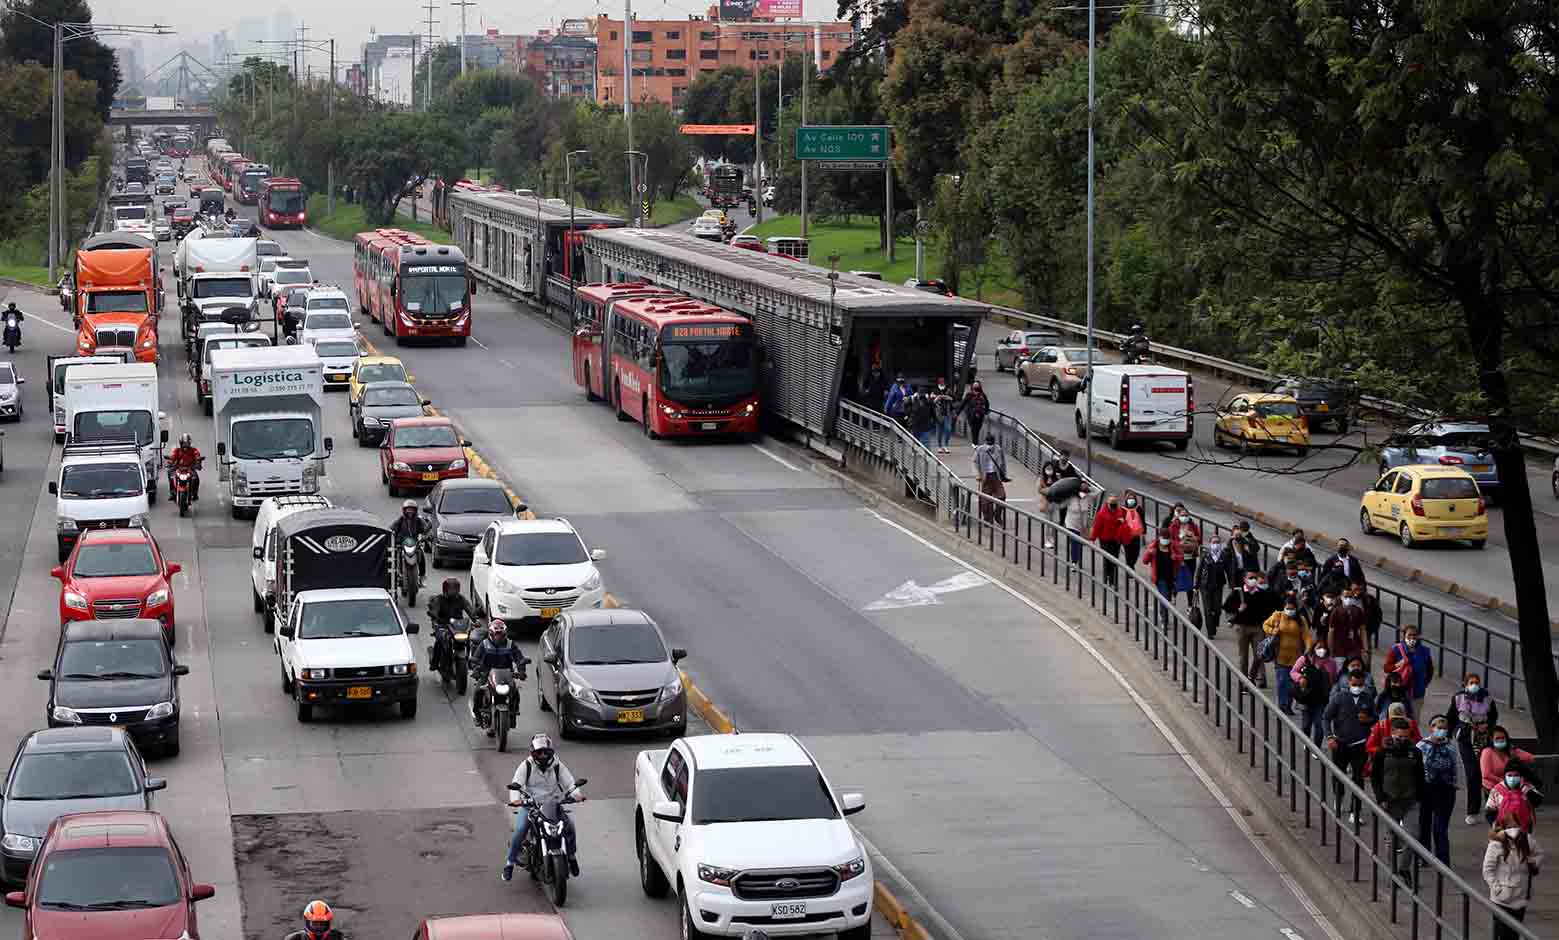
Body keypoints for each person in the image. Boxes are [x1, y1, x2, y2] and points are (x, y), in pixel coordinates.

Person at [503, 733, 584, 882]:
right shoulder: (526, 766)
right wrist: (516, 800)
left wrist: (576, 794)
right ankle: (509, 863)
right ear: (533, 753)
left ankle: (571, 856)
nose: (542, 755)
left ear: (551, 752)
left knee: (570, 826)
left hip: (552, 805)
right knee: (520, 829)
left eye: (546, 752)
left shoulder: (557, 765)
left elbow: (570, 782)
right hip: (531, 806)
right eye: (539, 752)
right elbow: (516, 784)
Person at [1371, 719, 1425, 876]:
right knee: (1392, 838)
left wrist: (1419, 797)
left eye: (1405, 737)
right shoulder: (1382, 753)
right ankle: (1392, 871)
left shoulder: (1415, 752)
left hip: (1411, 800)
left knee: (1413, 836)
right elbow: (1375, 777)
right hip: (1390, 801)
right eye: (1398, 737)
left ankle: (1404, 868)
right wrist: (1380, 798)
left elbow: (1420, 776)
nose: (1402, 740)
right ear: (1392, 733)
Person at [1326, 668, 1377, 823]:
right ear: (1349, 682)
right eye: (1355, 684)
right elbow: (1326, 717)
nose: (1357, 687)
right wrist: (1329, 736)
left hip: (1359, 746)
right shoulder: (1339, 698)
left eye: (1360, 684)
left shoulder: (1367, 699)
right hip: (1340, 743)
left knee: (1358, 779)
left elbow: (1375, 717)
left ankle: (1355, 811)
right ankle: (1338, 797)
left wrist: (1367, 719)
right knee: (1338, 775)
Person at [1448, 673, 1499, 825]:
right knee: (1472, 773)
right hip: (1465, 737)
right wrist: (1448, 734)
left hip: (1483, 737)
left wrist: (1488, 726)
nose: (1474, 685)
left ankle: (1492, 807)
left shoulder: (1487, 697)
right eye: (1471, 682)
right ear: (1465, 684)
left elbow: (1493, 715)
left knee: (1486, 772)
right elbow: (1451, 717)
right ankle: (1472, 811)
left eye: (1476, 682)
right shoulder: (1458, 698)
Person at [468, 619, 529, 735]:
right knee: (477, 692)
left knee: (515, 692)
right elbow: (475, 658)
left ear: (505, 634)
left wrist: (521, 671)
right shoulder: (484, 644)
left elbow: (519, 658)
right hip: (486, 675)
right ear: (491, 634)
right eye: (496, 634)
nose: (498, 637)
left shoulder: (511, 644)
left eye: (501, 634)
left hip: (506, 675)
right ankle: (477, 714)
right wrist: (476, 669)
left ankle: (514, 712)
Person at [1483, 821, 1542, 940]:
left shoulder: (1527, 840)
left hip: (1520, 898)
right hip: (1502, 899)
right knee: (1504, 933)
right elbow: (1488, 870)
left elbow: (1539, 853)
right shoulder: (1496, 844)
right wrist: (1497, 889)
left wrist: (1533, 862)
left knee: (1513, 934)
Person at [1417, 715, 1459, 864]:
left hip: (1445, 790)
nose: (1441, 731)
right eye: (1438, 728)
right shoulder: (1421, 746)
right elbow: (1417, 768)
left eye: (1444, 728)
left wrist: (1454, 783)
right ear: (1431, 728)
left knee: (1440, 828)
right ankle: (1424, 857)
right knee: (1424, 824)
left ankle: (1443, 860)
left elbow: (1454, 766)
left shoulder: (1450, 746)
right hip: (1426, 789)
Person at [1226, 572, 1279, 686]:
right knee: (1243, 656)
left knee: (1259, 654)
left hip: (1257, 628)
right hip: (1242, 628)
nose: (1253, 580)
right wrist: (1238, 608)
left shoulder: (1261, 593)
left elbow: (1268, 608)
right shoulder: (1238, 592)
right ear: (1244, 579)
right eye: (1250, 578)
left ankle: (1259, 678)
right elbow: (1226, 606)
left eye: (1255, 578)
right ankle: (1244, 681)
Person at [1263, 593, 1311, 715]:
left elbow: (1306, 635)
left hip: (1295, 658)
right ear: (1284, 607)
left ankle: (1288, 705)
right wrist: (1272, 630)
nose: (1290, 611)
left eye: (1292, 608)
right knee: (1282, 682)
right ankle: (1283, 704)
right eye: (1288, 608)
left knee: (1292, 683)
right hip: (1280, 656)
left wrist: (1309, 648)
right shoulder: (1277, 616)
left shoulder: (1301, 620)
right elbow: (1265, 625)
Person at [1382, 626, 1435, 717]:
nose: (1412, 638)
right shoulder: (1396, 649)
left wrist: (1424, 683)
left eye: (1415, 635)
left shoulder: (1425, 651)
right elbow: (1387, 668)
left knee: (1414, 719)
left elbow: (1429, 670)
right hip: (1398, 692)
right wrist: (1398, 665)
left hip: (1417, 693)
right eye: (1409, 635)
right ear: (1404, 636)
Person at [1290, 641, 1336, 746]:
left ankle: (1316, 747)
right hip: (1307, 698)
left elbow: (1333, 679)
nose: (1322, 650)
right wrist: (1300, 678)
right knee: (1306, 724)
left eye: (1324, 647)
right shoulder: (1304, 659)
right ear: (1314, 648)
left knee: (1319, 725)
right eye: (1319, 647)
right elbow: (1293, 672)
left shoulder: (1331, 663)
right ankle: (1306, 743)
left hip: (1322, 699)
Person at [426, 578, 475, 672]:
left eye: (456, 588)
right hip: (442, 624)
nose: (454, 591)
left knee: (468, 638)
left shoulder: (461, 598)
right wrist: (435, 615)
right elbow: (435, 610)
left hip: (457, 625)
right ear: (445, 589)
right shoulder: (439, 599)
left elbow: (469, 608)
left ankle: (470, 660)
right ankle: (435, 662)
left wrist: (475, 619)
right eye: (451, 589)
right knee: (440, 640)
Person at [1366, 702, 1421, 777]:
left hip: (1406, 763)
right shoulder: (1380, 726)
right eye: (1394, 718)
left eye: (1400, 718)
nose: (1397, 720)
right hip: (1385, 764)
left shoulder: (1411, 724)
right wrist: (1384, 752)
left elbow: (1419, 743)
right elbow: (1369, 746)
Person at [1481, 726, 1537, 796]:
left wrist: (1515, 751)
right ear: (1491, 739)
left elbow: (1530, 758)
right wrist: (1504, 782)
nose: (1500, 740)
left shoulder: (1509, 751)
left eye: (1503, 738)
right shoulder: (1487, 752)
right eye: (1497, 738)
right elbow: (1486, 775)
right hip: (1492, 786)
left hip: (1510, 784)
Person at [1196, 532, 1233, 637]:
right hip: (1205, 586)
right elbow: (1199, 570)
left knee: (1217, 609)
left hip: (1218, 586)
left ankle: (1215, 622)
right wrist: (1196, 586)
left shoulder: (1224, 556)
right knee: (1208, 610)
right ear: (1210, 544)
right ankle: (1210, 632)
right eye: (1214, 542)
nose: (1215, 544)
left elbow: (1228, 571)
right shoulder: (1205, 555)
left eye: (1217, 542)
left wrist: (1231, 584)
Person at [1325, 583, 1368, 674]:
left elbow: (1363, 630)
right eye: (1346, 596)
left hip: (1354, 647)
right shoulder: (1336, 612)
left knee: (1356, 671)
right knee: (1340, 672)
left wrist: (1365, 648)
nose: (1348, 599)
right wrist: (1331, 649)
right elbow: (1331, 632)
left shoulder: (1358, 611)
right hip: (1339, 649)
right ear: (1341, 597)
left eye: (1350, 596)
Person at [1484, 769, 1543, 834]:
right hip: (1502, 829)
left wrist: (1527, 790)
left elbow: (1538, 802)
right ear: (1505, 776)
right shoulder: (1496, 790)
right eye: (1509, 775)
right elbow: (1489, 810)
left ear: (1521, 776)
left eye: (1516, 775)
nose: (1512, 778)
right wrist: (1494, 823)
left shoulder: (1528, 787)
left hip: (1525, 829)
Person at [1090, 494, 1129, 589]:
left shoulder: (1119, 511)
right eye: (1112, 503)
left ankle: (1113, 580)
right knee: (1107, 559)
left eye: (1115, 503)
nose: (1113, 505)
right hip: (1105, 540)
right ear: (1107, 503)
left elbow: (1124, 524)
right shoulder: (1102, 513)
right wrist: (1093, 539)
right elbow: (1097, 527)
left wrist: (1121, 522)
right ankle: (1106, 577)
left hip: (1116, 539)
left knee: (1115, 560)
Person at [973, 432, 1009, 526]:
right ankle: (987, 518)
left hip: (996, 476)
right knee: (985, 500)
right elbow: (975, 462)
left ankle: (997, 515)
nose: (990, 446)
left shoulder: (998, 449)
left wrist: (1004, 475)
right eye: (988, 444)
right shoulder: (980, 449)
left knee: (1002, 496)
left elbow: (1003, 463)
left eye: (991, 444)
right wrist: (977, 474)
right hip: (985, 476)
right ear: (985, 442)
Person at [390, 498, 429, 580]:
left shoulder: (418, 520)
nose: (410, 511)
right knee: (395, 556)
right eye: (408, 509)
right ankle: (398, 573)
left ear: (415, 510)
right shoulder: (400, 520)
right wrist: (391, 534)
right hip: (402, 543)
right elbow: (392, 528)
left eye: (412, 509)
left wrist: (427, 535)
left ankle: (422, 576)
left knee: (421, 555)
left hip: (414, 543)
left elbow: (426, 528)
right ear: (404, 510)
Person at [1062, 481, 1091, 569]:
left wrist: (1088, 486)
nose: (1083, 489)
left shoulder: (1088, 497)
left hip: (1082, 527)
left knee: (1080, 544)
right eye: (1081, 487)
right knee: (1075, 543)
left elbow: (1098, 491)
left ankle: (1078, 561)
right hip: (1071, 524)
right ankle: (1074, 562)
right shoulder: (1071, 497)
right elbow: (1062, 505)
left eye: (1085, 488)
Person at [167, 433, 203, 501]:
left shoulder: (193, 450)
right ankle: (172, 493)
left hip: (190, 468)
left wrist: (198, 462)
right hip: (179, 468)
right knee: (171, 475)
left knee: (196, 478)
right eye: (183, 443)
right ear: (180, 443)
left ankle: (195, 493)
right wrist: (171, 462)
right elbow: (173, 457)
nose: (185, 446)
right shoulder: (177, 450)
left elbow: (197, 455)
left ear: (189, 443)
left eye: (186, 443)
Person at [1119, 490, 1146, 569]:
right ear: (1126, 500)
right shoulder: (1122, 509)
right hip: (1126, 534)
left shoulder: (1139, 509)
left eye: (1132, 498)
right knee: (1128, 552)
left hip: (1136, 534)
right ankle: (1129, 567)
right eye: (1129, 498)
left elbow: (1143, 520)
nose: (1131, 500)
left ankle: (1131, 564)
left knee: (1136, 552)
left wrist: (1144, 531)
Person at [931, 378, 956, 454]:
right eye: (940, 382)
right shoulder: (934, 389)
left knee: (948, 429)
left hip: (947, 412)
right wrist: (937, 397)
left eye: (943, 382)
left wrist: (947, 397)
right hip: (938, 413)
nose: (942, 383)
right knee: (939, 430)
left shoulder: (948, 389)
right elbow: (932, 400)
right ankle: (939, 446)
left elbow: (953, 398)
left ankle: (946, 445)